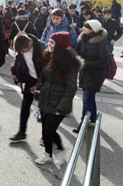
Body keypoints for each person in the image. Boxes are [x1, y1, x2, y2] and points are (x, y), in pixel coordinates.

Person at [33, 32, 83, 165]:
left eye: (51, 42)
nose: (48, 44)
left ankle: (60, 150)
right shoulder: (49, 57)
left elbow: (71, 87)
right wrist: (38, 91)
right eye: (49, 41)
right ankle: (47, 154)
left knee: (50, 129)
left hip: (58, 103)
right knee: (44, 130)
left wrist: (62, 107)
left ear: (59, 46)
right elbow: (42, 78)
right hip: (45, 99)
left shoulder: (70, 63)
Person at [9, 33, 46, 142]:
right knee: (25, 105)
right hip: (30, 79)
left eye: (24, 50)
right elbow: (17, 59)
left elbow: (48, 70)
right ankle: (21, 132)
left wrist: (39, 86)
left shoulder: (41, 49)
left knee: (44, 109)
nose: (23, 53)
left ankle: (46, 136)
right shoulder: (21, 49)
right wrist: (14, 72)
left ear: (30, 43)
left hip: (43, 80)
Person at [73, 20, 109, 133]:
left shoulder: (101, 41)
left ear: (93, 29)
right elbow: (77, 52)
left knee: (87, 98)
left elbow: (104, 61)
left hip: (96, 74)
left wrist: (85, 64)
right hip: (85, 72)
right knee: (90, 98)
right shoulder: (83, 38)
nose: (83, 28)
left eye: (86, 27)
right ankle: (93, 120)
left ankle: (83, 125)